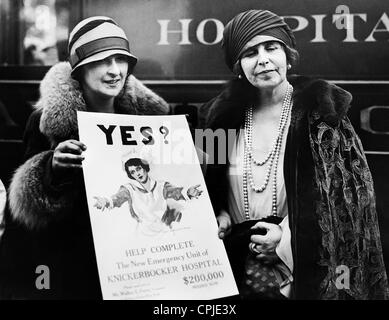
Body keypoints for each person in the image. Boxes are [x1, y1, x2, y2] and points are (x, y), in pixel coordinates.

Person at [199, 9, 388, 299]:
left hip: (300, 273)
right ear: (238, 67)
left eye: (271, 48)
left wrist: (285, 240)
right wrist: (219, 212)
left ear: (288, 56)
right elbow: (207, 182)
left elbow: (345, 202)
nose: (262, 59)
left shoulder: (322, 113)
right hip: (234, 270)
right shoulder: (219, 117)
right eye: (250, 53)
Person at [0, 16, 169, 299]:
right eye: (102, 61)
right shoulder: (45, 122)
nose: (115, 71)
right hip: (75, 265)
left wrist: (189, 158)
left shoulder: (149, 119)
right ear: (79, 69)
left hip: (138, 263)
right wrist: (51, 168)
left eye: (121, 59)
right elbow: (24, 211)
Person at [94, 157, 202, 236]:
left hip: (165, 233)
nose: (137, 173)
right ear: (131, 175)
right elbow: (117, 198)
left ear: (144, 168)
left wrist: (188, 192)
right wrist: (106, 201)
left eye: (138, 169)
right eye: (133, 172)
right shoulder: (129, 189)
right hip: (143, 234)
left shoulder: (161, 185)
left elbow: (175, 192)